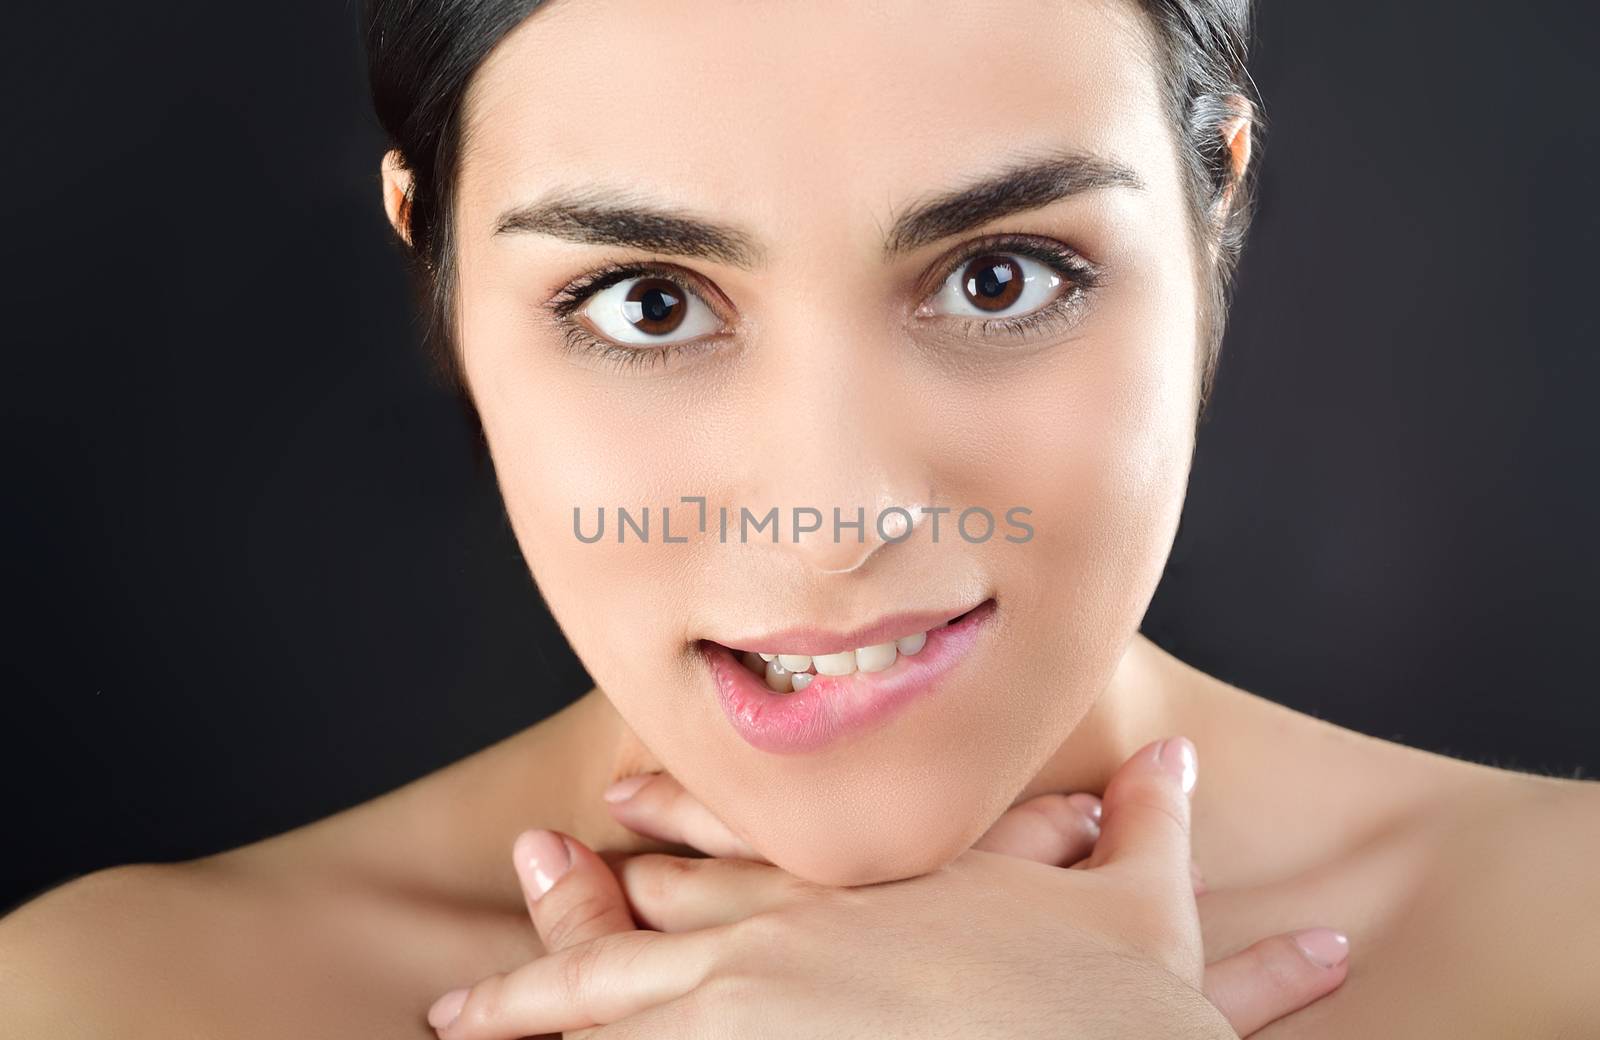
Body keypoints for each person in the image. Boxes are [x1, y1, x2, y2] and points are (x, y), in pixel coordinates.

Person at [4, 1, 1598, 1037]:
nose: (835, 520)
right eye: (644, 301)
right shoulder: (115, 1006)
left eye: (1000, 275)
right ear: (431, 258)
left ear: (1214, 207)